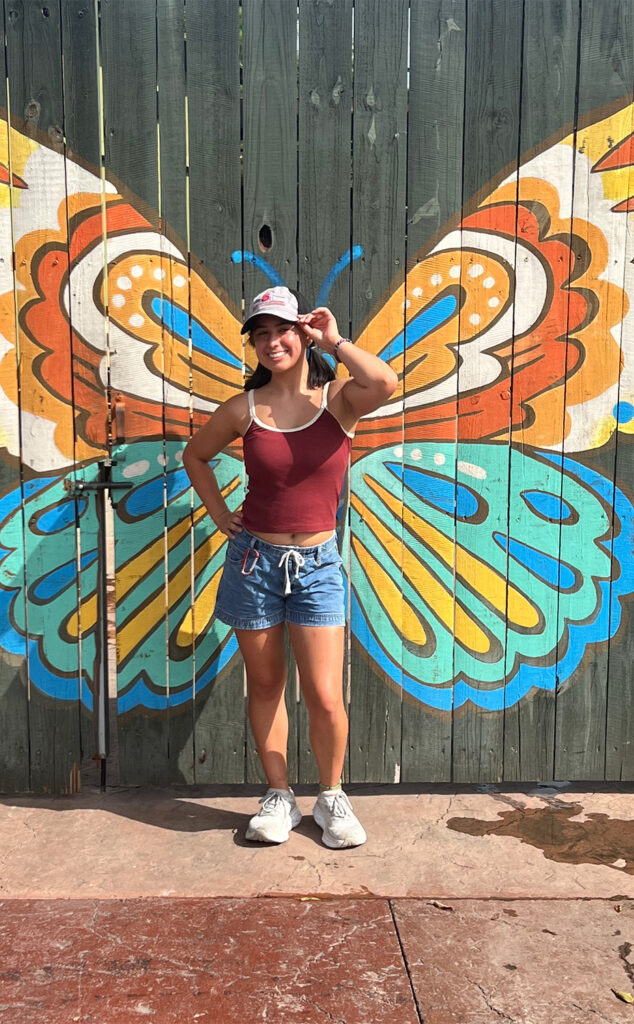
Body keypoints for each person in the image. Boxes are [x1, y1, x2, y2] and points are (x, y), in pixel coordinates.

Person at [182, 286, 398, 848]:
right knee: (267, 684)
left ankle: (331, 798)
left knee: (325, 694)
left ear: (302, 334)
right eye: (260, 334)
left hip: (319, 566)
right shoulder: (242, 409)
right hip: (254, 561)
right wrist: (221, 513)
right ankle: (278, 797)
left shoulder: (338, 402)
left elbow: (385, 383)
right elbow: (195, 456)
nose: (271, 342)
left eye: (282, 330)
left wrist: (337, 340)